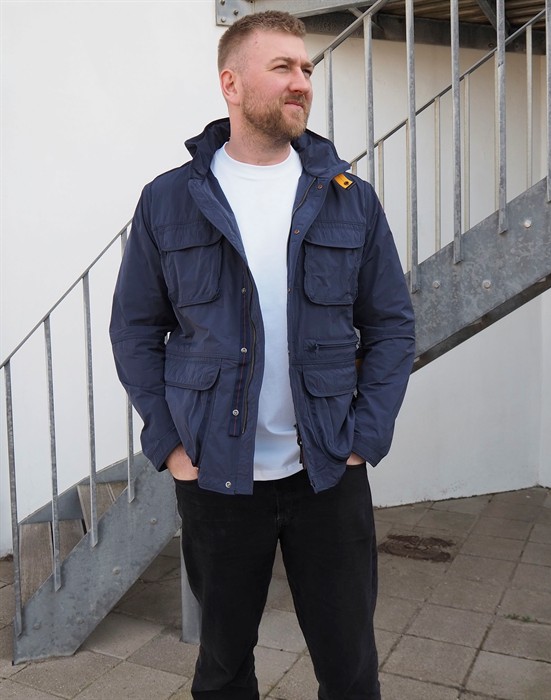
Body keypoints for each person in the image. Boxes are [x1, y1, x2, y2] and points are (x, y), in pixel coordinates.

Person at [110, 10, 415, 699]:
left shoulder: (349, 199)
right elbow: (134, 331)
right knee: (222, 670)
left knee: (350, 669)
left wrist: (365, 437)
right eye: (282, 67)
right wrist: (170, 445)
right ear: (231, 83)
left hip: (327, 475)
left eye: (306, 68)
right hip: (217, 479)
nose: (301, 81)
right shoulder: (169, 200)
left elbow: (392, 326)